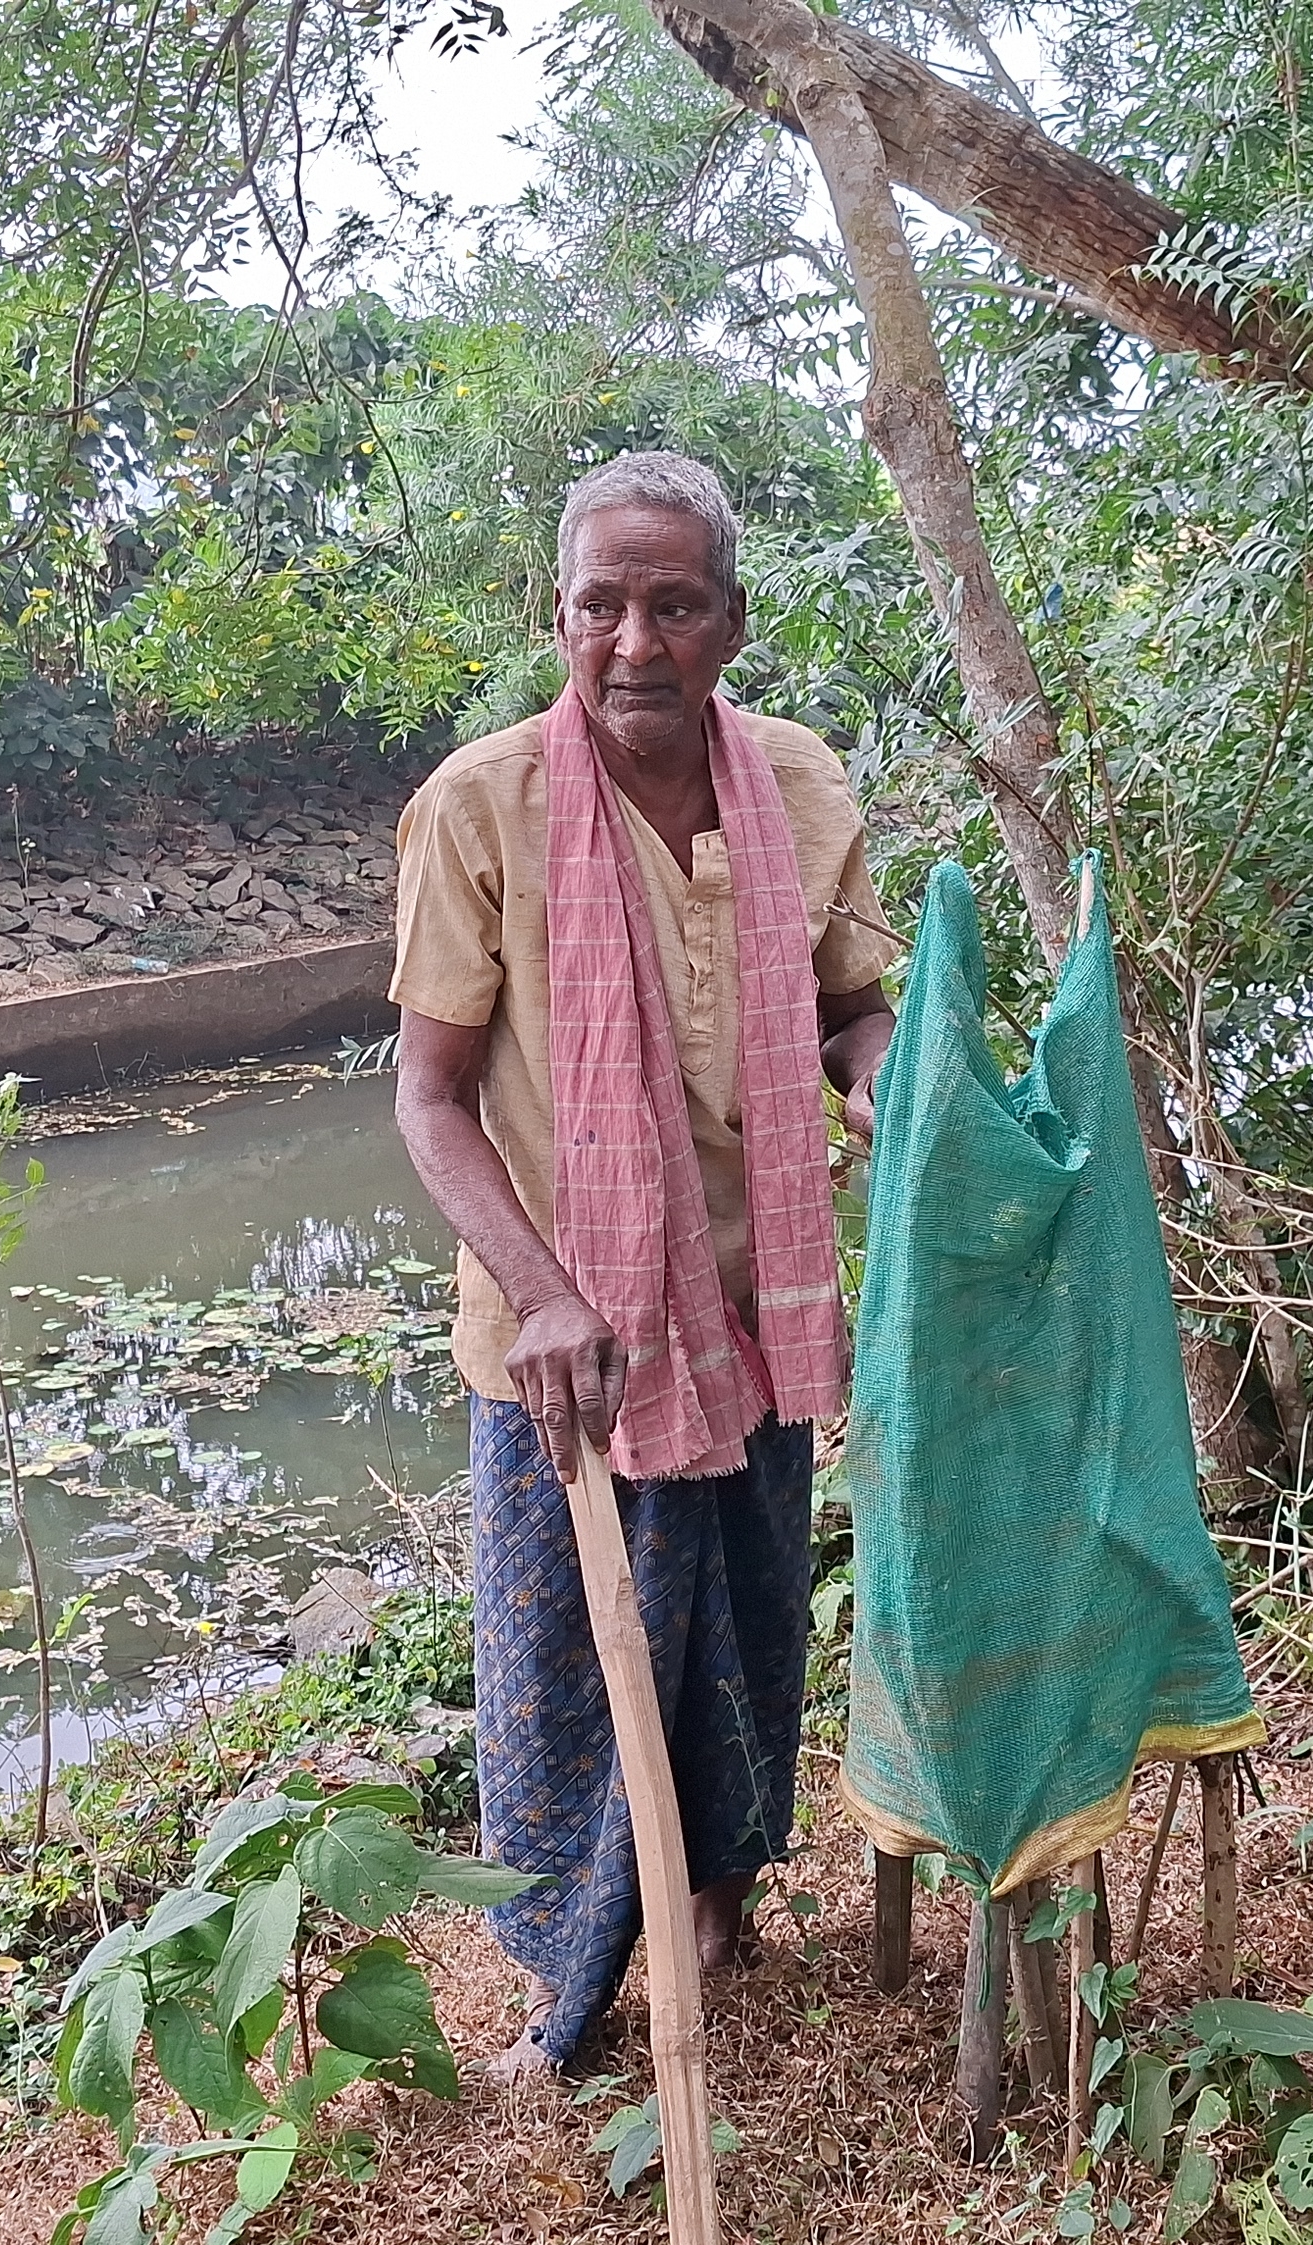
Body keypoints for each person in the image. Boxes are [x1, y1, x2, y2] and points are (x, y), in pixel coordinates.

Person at [389, 450, 896, 2082]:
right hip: (568, 1336)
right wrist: (542, 1290)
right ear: (560, 615)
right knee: (564, 1682)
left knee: (743, 1634)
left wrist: (890, 1077)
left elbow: (847, 1009)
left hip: (760, 1315)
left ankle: (719, 1914)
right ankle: (573, 1990)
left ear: (730, 623)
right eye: (602, 604)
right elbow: (430, 1095)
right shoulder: (480, 809)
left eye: (673, 605)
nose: (634, 642)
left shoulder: (803, 786)